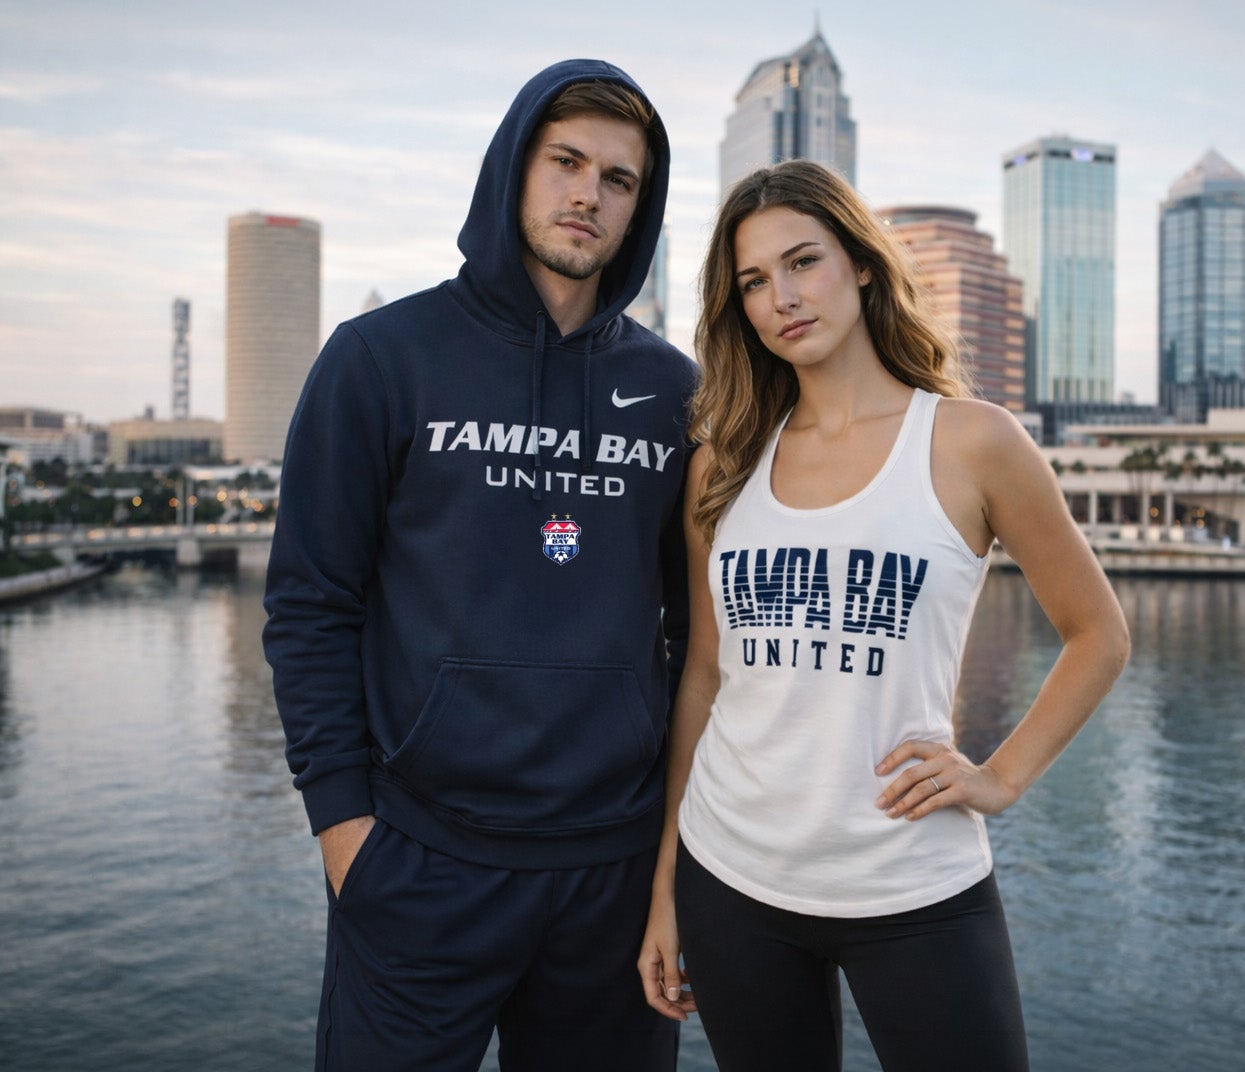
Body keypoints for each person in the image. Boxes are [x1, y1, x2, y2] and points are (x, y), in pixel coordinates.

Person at [637, 160, 1131, 1070]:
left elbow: (1099, 634)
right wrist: (667, 881)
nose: (782, 296)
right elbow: (703, 677)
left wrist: (1000, 776)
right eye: (753, 281)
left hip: (913, 884)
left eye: (803, 262)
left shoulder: (972, 441)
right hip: (733, 878)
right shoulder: (721, 465)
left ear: (861, 264)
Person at [262, 59, 695, 1071]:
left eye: (620, 180)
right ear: (512, 171)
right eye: (566, 161)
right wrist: (346, 834)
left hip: (612, 877)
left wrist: (673, 867)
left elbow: (696, 639)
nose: (589, 193)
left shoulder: (677, 392)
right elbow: (310, 604)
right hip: (420, 865)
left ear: (643, 209)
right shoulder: (380, 358)